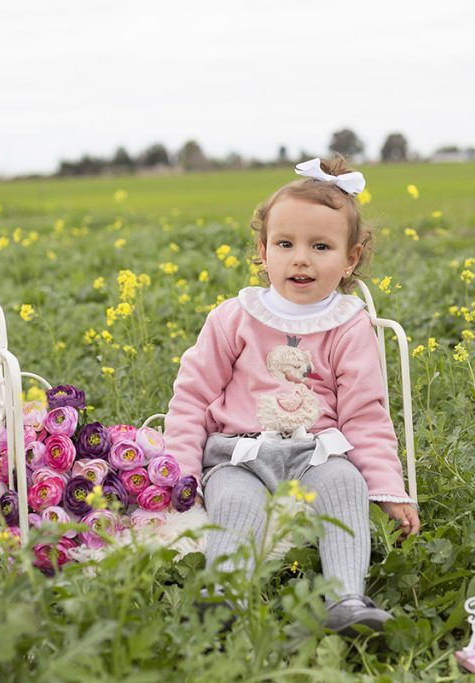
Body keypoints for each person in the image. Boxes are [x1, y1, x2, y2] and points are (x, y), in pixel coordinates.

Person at [164, 156, 420, 634]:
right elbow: (192, 397)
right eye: (285, 244)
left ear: (351, 258)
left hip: (316, 452)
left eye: (320, 246)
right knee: (237, 504)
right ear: (263, 251)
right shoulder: (234, 316)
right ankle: (223, 599)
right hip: (239, 454)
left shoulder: (348, 323)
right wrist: (180, 471)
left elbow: (365, 414)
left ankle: (345, 599)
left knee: (346, 485)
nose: (300, 258)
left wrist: (387, 488)